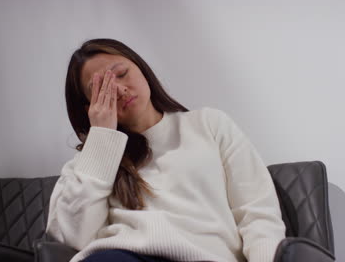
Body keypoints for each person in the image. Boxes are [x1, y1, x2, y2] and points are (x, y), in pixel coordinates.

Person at [45, 38, 286, 262]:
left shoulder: (208, 124)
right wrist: (102, 138)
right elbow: (73, 238)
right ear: (89, 107)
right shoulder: (87, 162)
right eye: (103, 90)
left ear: (142, 69)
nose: (119, 89)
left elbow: (257, 214)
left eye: (121, 74)